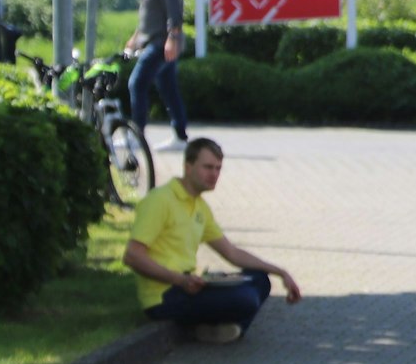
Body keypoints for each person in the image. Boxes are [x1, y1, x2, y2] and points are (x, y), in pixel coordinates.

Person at [123, 137, 301, 344]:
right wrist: (180, 280)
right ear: (187, 167)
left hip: (189, 285)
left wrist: (281, 272)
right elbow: (132, 256)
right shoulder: (160, 200)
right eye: (208, 167)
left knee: (260, 280)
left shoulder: (200, 207)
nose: (214, 174)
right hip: (164, 296)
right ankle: (215, 328)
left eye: (218, 168)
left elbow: (232, 253)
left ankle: (220, 330)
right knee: (245, 299)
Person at [125, 0, 189, 145]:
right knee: (168, 87)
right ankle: (180, 135)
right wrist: (135, 37)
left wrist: (173, 38)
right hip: (152, 40)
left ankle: (137, 135)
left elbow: (174, 9)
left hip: (160, 43)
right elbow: (150, 12)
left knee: (137, 83)